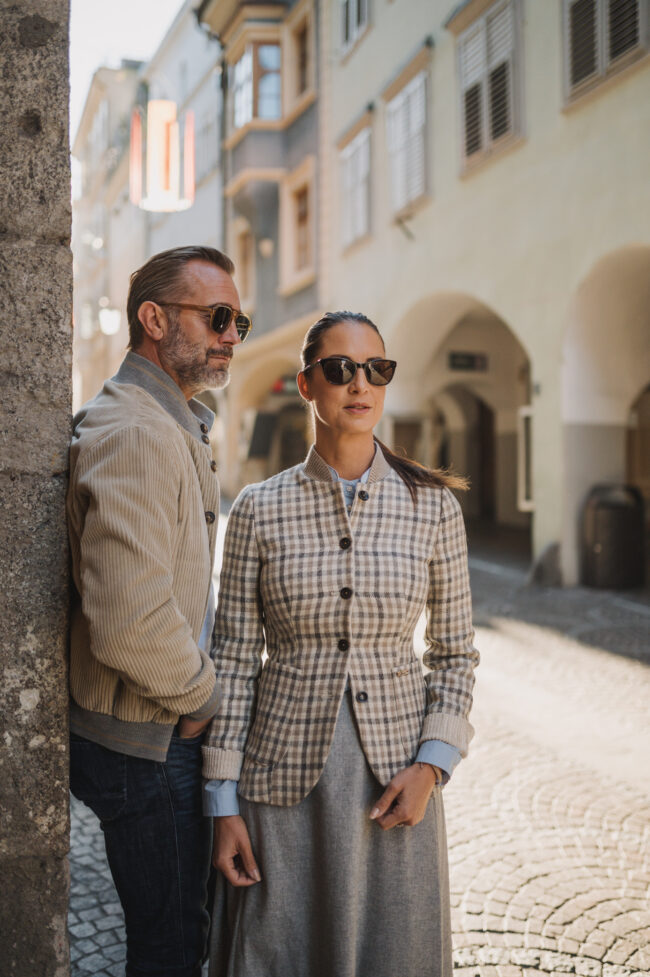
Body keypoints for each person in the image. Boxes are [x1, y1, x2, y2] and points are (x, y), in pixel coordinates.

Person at [203, 311, 479, 977]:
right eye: (340, 368)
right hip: (280, 786)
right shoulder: (258, 510)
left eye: (376, 369)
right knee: (282, 952)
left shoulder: (433, 506)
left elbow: (455, 651)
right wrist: (221, 802)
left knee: (394, 954)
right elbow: (235, 660)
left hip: (396, 784)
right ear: (306, 383)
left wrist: (432, 765)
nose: (360, 383)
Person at [67, 245, 252, 977]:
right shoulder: (141, 429)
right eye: (215, 317)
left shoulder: (158, 419)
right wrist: (202, 694)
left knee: (173, 932)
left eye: (237, 319)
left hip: (148, 730)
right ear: (152, 318)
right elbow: (129, 617)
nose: (232, 334)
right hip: (146, 739)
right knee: (172, 943)